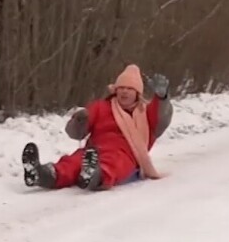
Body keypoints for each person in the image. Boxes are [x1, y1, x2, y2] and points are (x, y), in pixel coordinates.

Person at [21, 64, 173, 191]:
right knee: (73, 161)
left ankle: (95, 176)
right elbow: (75, 133)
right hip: (93, 151)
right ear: (116, 90)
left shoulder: (145, 113)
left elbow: (161, 118)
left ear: (137, 93)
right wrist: (80, 121)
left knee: (115, 164)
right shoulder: (101, 107)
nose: (124, 91)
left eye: (129, 88)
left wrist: (161, 98)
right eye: (121, 88)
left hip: (125, 154)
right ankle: (44, 174)